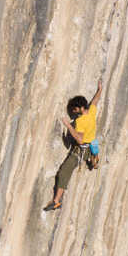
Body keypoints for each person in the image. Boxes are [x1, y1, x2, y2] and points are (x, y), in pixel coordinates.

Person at [43, 77, 103, 212]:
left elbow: (80, 139)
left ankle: (56, 201)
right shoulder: (91, 111)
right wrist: (100, 89)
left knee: (64, 171)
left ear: (81, 108)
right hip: (91, 146)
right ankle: (94, 160)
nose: (73, 111)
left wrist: (68, 125)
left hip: (82, 150)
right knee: (90, 150)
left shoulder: (80, 121)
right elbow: (96, 100)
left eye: (75, 109)